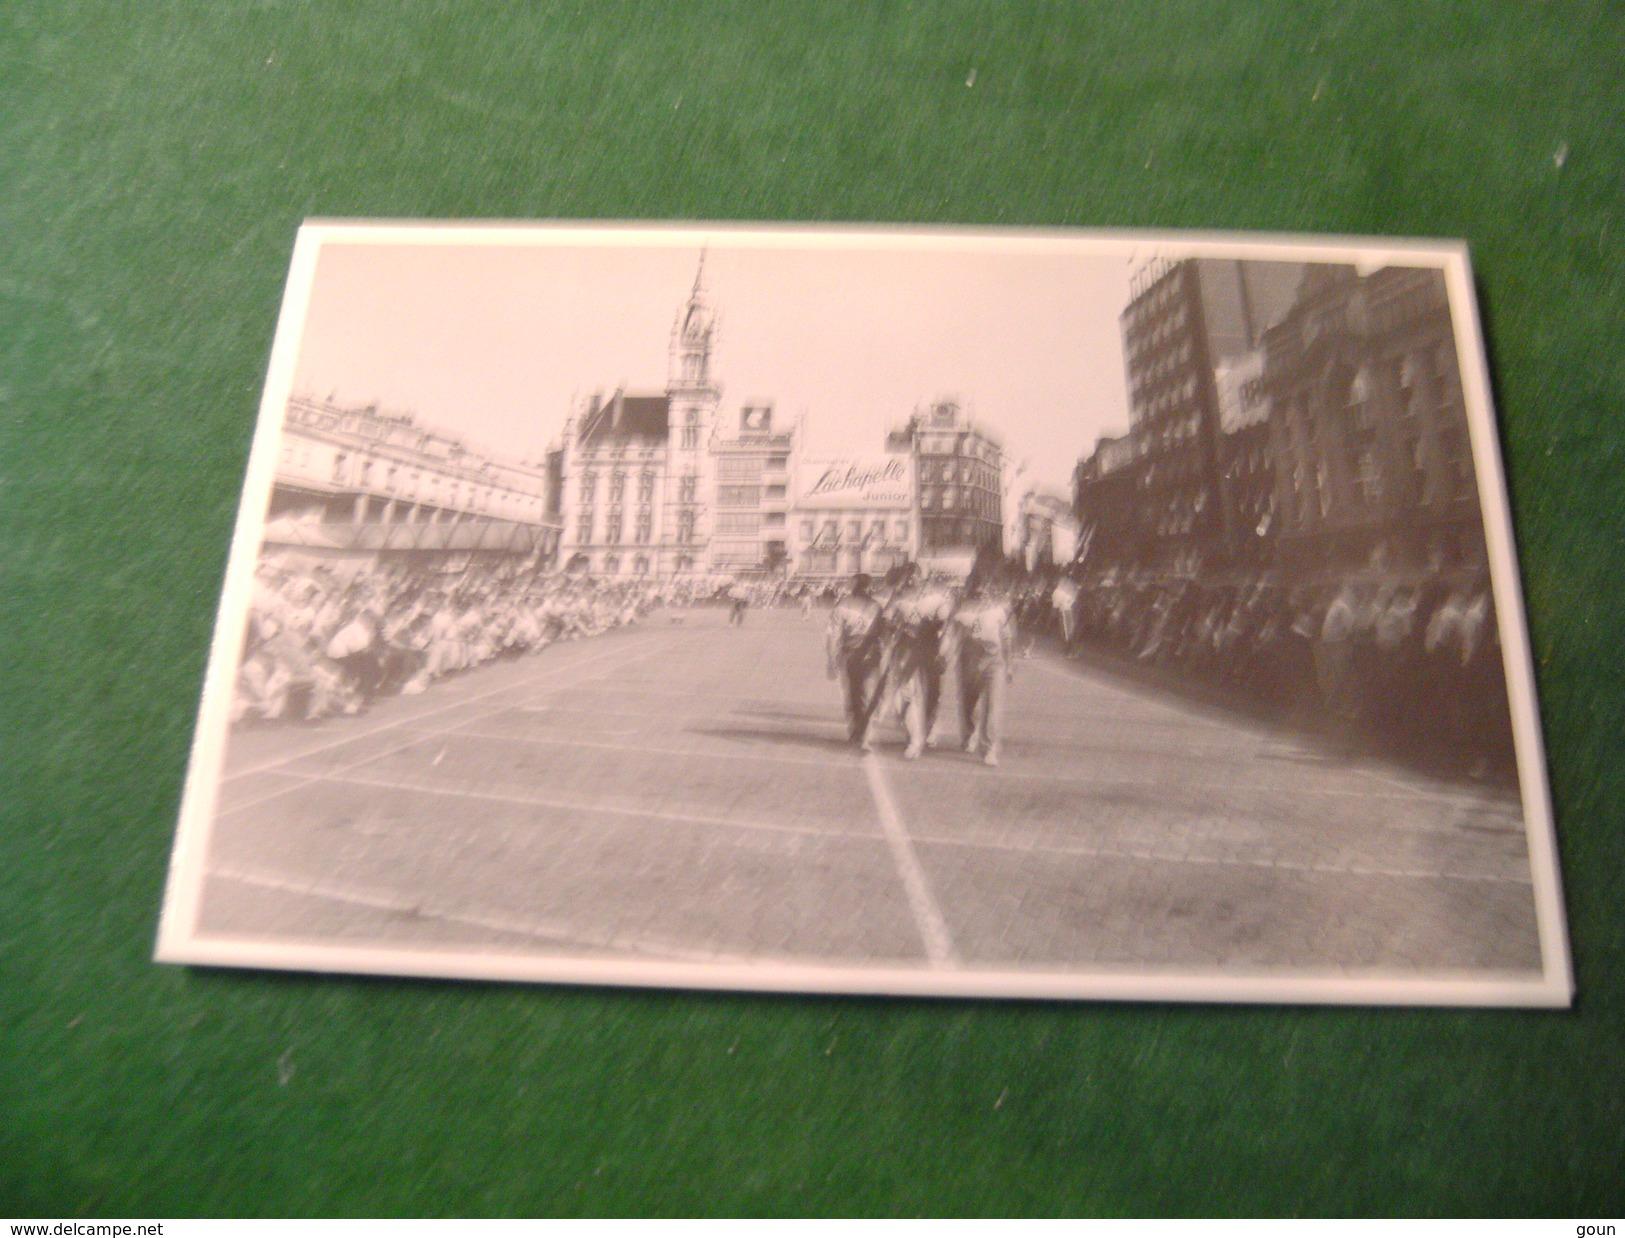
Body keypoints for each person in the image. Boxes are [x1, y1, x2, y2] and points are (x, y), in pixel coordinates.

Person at [880, 563, 955, 759]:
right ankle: (914, 738)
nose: (910, 580)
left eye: (913, 576)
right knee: (904, 693)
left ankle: (929, 727)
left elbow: (947, 624)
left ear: (921, 577)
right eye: (907, 577)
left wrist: (944, 650)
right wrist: (889, 634)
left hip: (930, 647)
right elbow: (886, 621)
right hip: (906, 648)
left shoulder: (936, 596)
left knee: (932, 693)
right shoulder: (899, 596)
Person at [949, 570, 1017, 766]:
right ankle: (970, 734)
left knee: (993, 707)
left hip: (994, 662)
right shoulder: (961, 611)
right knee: (968, 704)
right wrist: (950, 654)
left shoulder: (999, 611)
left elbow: (1007, 638)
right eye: (977, 591)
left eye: (986, 590)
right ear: (970, 591)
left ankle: (990, 748)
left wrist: (1010, 665)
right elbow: (953, 635)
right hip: (969, 661)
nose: (982, 594)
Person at [826, 572, 885, 752]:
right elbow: (834, 634)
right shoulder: (844, 606)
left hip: (867, 656)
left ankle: (864, 735)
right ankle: (856, 731)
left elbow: (883, 634)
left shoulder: (876, 608)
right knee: (854, 695)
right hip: (853, 655)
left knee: (863, 695)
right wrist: (832, 658)